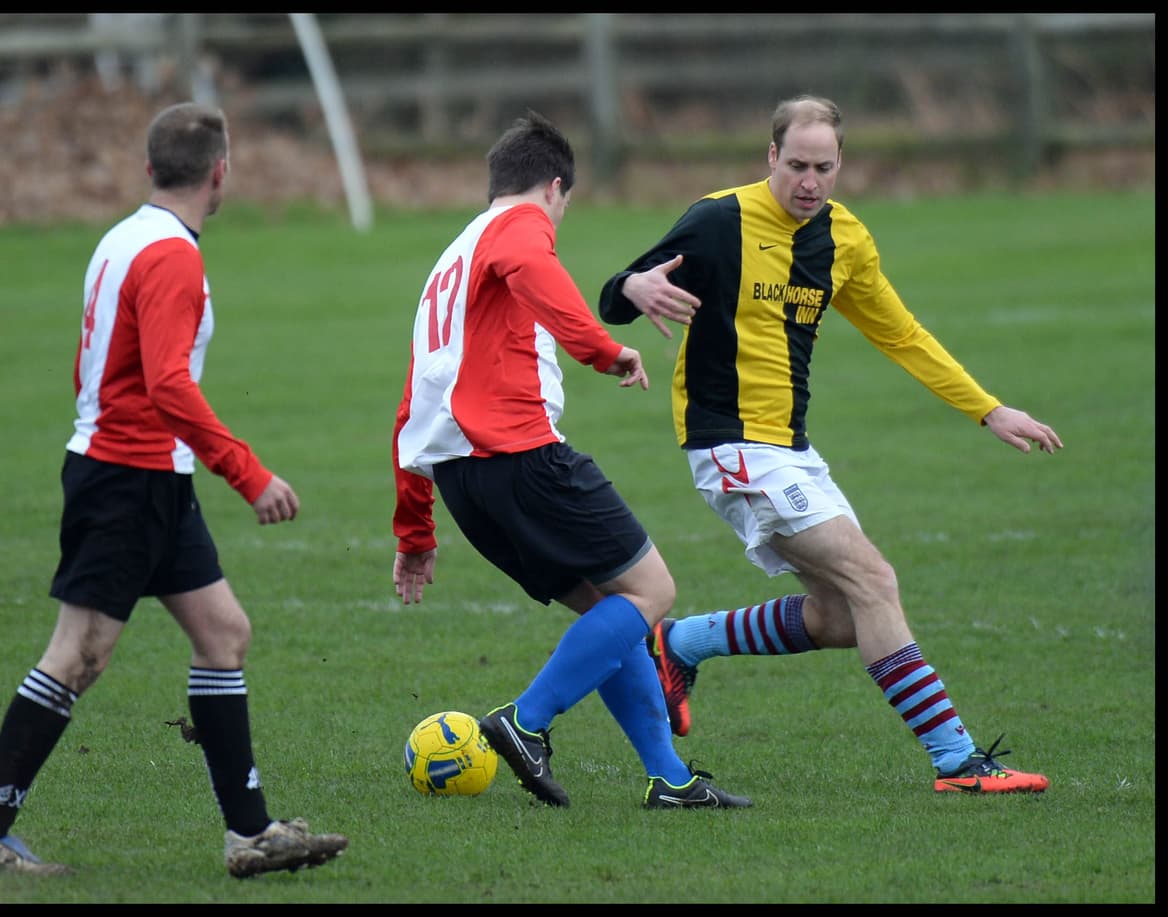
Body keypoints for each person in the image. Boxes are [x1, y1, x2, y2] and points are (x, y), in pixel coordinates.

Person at [598, 94, 1062, 794]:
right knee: (874, 581)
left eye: (824, 168)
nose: (809, 182)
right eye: (796, 165)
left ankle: (681, 642)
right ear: (771, 156)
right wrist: (635, 286)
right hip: (730, 445)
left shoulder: (845, 239)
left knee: (841, 615)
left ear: (841, 164)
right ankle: (957, 760)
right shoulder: (720, 220)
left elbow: (901, 334)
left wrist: (988, 409)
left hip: (790, 446)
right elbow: (614, 295)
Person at [0, 102, 349, 878]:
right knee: (79, 654)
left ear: (149, 168)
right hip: (125, 478)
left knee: (223, 633)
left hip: (151, 474)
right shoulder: (172, 257)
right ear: (220, 172)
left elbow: (104, 366)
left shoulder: (124, 237)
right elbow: (167, 382)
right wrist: (248, 472)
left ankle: (250, 833)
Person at [391, 110, 751, 810]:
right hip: (521, 457)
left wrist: (415, 530)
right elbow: (533, 264)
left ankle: (670, 778)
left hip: (464, 482)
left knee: (613, 615)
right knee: (652, 592)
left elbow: (411, 405)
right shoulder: (519, 225)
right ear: (555, 188)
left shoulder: (449, 263)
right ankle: (525, 721)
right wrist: (603, 349)